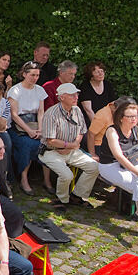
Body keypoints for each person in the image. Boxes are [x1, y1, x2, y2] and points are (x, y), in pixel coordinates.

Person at [99, 98, 138, 243]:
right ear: (121, 118)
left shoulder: (137, 130)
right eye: (130, 116)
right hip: (110, 166)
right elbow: (119, 156)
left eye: (136, 116)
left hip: (133, 163)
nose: (134, 119)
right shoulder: (112, 131)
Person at [38, 82, 100, 210]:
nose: (76, 97)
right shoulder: (51, 114)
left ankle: (77, 196)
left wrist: (73, 145)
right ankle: (61, 199)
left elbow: (82, 130)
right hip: (51, 152)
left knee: (94, 167)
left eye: (76, 94)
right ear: (62, 97)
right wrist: (69, 145)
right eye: (72, 95)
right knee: (67, 175)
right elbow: (51, 140)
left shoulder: (76, 110)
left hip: (72, 150)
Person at [6, 62, 47, 194]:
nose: (35, 78)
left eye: (37, 75)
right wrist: (28, 131)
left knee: (46, 142)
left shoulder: (40, 90)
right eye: (32, 75)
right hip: (18, 126)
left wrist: (40, 129)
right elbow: (14, 115)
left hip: (35, 123)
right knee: (27, 144)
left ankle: (47, 180)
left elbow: (41, 112)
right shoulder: (15, 90)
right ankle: (24, 179)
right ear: (24, 74)